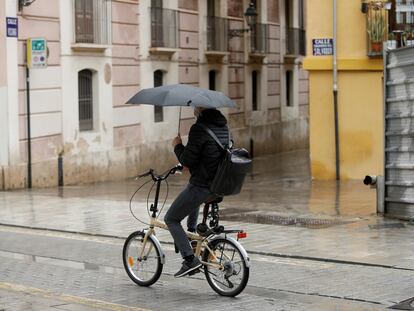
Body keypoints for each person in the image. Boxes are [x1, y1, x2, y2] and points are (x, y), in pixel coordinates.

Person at [164, 107, 230, 278]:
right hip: (218, 186)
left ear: (201, 110)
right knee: (191, 198)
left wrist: (177, 146)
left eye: (195, 108)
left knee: (171, 218)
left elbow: (187, 159)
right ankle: (192, 235)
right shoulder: (224, 128)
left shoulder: (199, 129)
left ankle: (190, 260)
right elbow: (212, 154)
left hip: (202, 186)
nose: (193, 111)